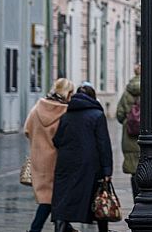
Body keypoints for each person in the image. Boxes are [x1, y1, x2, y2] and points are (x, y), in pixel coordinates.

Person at [52, 84, 113, 232]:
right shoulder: (97, 115)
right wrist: (107, 171)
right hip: (90, 166)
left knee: (63, 200)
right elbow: (103, 144)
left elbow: (57, 140)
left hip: (66, 163)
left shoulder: (66, 115)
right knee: (98, 198)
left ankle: (59, 229)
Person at [24, 78, 75, 232]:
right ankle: (37, 229)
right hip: (58, 160)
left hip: (39, 160)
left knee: (48, 198)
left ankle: (65, 228)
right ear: (68, 93)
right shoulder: (66, 112)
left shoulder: (37, 108)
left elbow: (27, 130)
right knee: (52, 200)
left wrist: (39, 142)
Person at [116, 64, 152, 197]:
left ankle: (137, 200)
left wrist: (130, 122)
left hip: (131, 138)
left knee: (135, 171)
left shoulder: (127, 92)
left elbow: (120, 114)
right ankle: (151, 198)